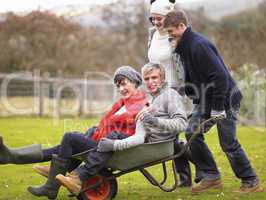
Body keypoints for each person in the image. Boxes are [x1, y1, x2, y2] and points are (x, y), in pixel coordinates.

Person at [0, 66, 148, 199]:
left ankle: (52, 182)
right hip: (103, 143)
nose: (121, 89)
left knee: (70, 138)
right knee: (64, 146)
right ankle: (12, 156)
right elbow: (107, 124)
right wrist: (94, 131)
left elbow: (124, 127)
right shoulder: (122, 103)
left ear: (134, 82)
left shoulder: (140, 104)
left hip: (114, 148)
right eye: (118, 86)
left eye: (124, 83)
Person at [163, 10, 264, 194]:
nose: (169, 36)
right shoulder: (184, 47)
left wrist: (218, 108)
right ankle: (211, 176)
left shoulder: (198, 45)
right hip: (208, 99)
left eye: (171, 31)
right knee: (191, 132)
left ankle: (251, 181)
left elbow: (219, 78)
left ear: (181, 26)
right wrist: (180, 91)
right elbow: (197, 78)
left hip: (225, 98)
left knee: (228, 143)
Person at [55, 62, 188, 195]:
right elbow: (140, 133)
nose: (150, 82)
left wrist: (155, 121)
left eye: (154, 78)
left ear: (162, 79)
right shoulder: (151, 100)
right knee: (107, 136)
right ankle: (73, 177)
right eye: (147, 79)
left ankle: (76, 176)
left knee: (112, 137)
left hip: (156, 145)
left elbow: (182, 123)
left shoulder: (170, 95)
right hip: (145, 141)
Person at [148, 0, 203, 186]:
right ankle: (189, 176)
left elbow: (187, 61)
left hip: (178, 90)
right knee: (171, 137)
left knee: (172, 134)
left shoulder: (177, 36)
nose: (155, 22)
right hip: (160, 91)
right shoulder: (152, 35)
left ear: (169, 16)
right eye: (152, 18)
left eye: (159, 18)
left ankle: (202, 168)